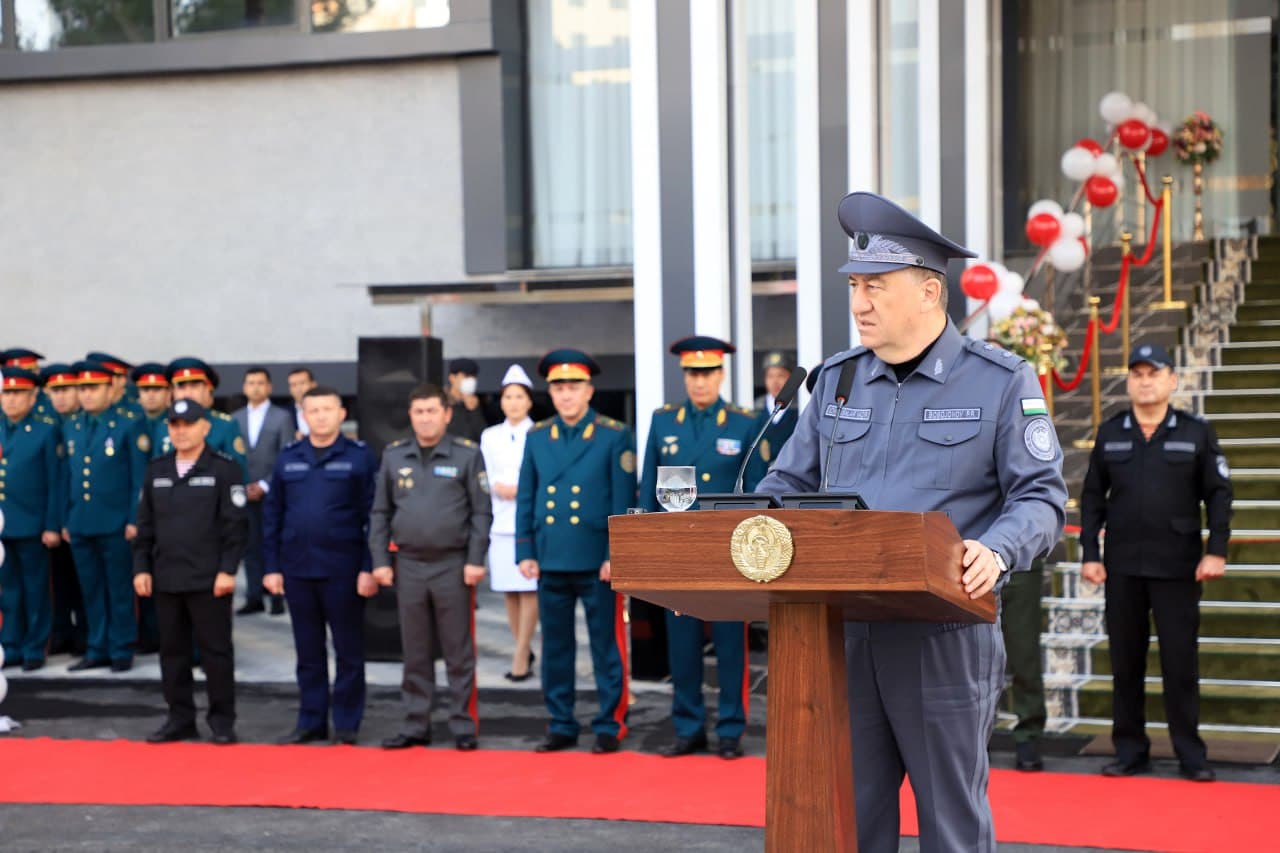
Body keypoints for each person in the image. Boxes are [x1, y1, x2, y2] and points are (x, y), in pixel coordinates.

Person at [755, 191, 1066, 852]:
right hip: (841, 631)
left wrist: (997, 548)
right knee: (850, 819)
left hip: (942, 637)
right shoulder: (835, 381)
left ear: (930, 291)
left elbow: (1042, 497)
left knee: (950, 827)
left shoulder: (1001, 381)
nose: (859, 302)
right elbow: (783, 485)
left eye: (876, 286)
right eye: (855, 286)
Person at [1080, 341, 1232, 783]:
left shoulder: (1195, 432)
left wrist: (1217, 549)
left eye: (1153, 373)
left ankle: (1190, 753)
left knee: (1180, 664)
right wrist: (1090, 554)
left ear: (1171, 380)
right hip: (1123, 567)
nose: (1145, 381)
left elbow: (1219, 495)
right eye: (1137, 374)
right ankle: (1130, 750)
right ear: (1128, 382)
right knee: (1126, 664)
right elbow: (1092, 498)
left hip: (1178, 568)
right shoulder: (1110, 433)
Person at [638, 335, 767, 760]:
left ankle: (730, 729)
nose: (700, 382)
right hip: (680, 550)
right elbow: (648, 490)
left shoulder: (744, 422)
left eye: (707, 373)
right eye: (693, 374)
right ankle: (688, 726)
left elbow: (761, 487)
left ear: (721, 375)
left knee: (731, 644)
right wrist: (647, 545)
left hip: (728, 550)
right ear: (684, 376)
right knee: (682, 644)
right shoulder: (664, 421)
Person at [515, 349, 636, 754]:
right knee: (556, 647)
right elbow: (527, 496)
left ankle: (609, 721)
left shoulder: (612, 434)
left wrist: (615, 553)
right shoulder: (537, 436)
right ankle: (561, 721)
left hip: (595, 559)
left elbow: (621, 500)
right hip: (551, 555)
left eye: (574, 388)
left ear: (589, 391)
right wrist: (525, 549)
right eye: (559, 388)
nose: (566, 396)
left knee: (606, 645)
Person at [371, 384, 492, 751]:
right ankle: (415, 724)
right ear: (411, 416)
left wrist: (475, 560)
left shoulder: (467, 455)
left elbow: (481, 513)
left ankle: (462, 725)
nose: (425, 418)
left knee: (458, 650)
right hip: (407, 564)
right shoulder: (394, 457)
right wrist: (380, 561)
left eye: (432, 411)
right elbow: (380, 512)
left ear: (447, 414)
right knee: (415, 650)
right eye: (418, 412)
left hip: (452, 565)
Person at [263, 386, 378, 745]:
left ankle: (346, 723)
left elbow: (374, 517)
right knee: (308, 652)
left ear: (342, 413)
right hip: (298, 568)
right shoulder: (288, 458)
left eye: (328, 409)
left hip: (343, 569)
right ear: (303, 415)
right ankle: (311, 720)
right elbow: (273, 515)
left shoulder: (359, 457)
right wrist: (271, 567)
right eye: (313, 410)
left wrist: (368, 567)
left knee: (348, 651)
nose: (321, 416)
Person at [132, 399, 248, 745]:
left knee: (216, 652)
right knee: (172, 653)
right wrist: (141, 568)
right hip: (167, 576)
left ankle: (222, 721)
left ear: (205, 427)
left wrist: (228, 570)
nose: (181, 431)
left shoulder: (224, 469)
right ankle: (179, 717)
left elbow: (236, 527)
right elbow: (145, 526)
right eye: (175, 425)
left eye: (188, 424)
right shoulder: (158, 468)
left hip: (208, 579)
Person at [62, 360, 150, 673]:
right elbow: (66, 477)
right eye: (82, 388)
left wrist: (132, 519)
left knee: (119, 588)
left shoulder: (128, 423)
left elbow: (139, 479)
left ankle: (121, 647)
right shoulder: (72, 425)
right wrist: (66, 519)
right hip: (82, 522)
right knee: (91, 589)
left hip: (115, 523)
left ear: (110, 388)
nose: (86, 395)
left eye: (93, 388)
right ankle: (97, 646)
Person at [0, 368, 62, 671]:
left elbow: (55, 481)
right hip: (3, 525)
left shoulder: (44, 430)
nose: (10, 400)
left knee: (35, 589)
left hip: (32, 523)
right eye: (6, 394)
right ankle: (10, 644)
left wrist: (51, 524)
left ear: (33, 396)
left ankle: (35, 647)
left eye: (17, 394)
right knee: (8, 591)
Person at [480, 364, 539, 681]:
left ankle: (520, 655)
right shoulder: (490, 436)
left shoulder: (540, 432)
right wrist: (496, 487)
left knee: (528, 589)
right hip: (499, 520)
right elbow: (483, 474)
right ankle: (523, 648)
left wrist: (521, 490)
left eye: (519, 396)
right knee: (509, 590)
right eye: (508, 397)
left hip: (529, 520)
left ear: (529, 401)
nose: (513, 402)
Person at [232, 367, 294, 616]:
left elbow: (285, 454)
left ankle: (277, 594)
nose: (255, 387)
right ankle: (254, 595)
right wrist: (244, 484)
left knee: (273, 542)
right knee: (249, 544)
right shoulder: (235, 418)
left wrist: (265, 484)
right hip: (244, 490)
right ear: (244, 387)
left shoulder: (282, 417)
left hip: (272, 490)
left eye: (260, 383)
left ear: (269, 387)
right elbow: (232, 457)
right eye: (250, 383)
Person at [40, 363, 87, 657]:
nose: (60, 397)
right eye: (54, 391)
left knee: (82, 583)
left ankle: (83, 635)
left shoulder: (83, 426)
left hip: (79, 517)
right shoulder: (47, 425)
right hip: (48, 518)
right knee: (56, 584)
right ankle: (60, 632)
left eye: (67, 390)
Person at [162, 358, 248, 481]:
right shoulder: (163, 426)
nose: (188, 393)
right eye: (182, 387)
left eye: (194, 386)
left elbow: (238, 473)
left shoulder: (226, 425)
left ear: (206, 389)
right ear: (173, 392)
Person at [1001, 555, 1048, 771]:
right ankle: (974, 737)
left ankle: (1028, 735)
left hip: (1020, 562)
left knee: (1024, 654)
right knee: (969, 657)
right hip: (967, 558)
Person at [754, 350, 799, 460]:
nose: (775, 381)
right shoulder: (755, 409)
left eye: (781, 375)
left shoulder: (799, 410)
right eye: (770, 376)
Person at [446, 358, 489, 443]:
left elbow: (484, 437)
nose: (471, 380)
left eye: (473, 376)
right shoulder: (441, 402)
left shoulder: (478, 403)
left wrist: (474, 410)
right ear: (452, 378)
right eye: (466, 376)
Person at [286, 367, 317, 439]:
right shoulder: (284, 413)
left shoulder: (325, 409)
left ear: (313, 385)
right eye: (293, 385)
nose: (298, 389)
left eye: (302, 383)